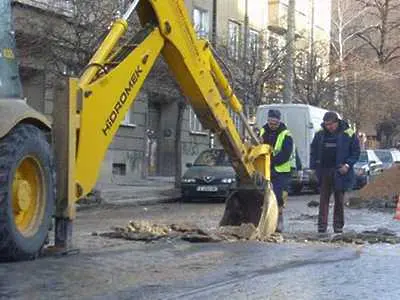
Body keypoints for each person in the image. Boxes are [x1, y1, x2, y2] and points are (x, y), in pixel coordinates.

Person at [310, 111, 360, 234]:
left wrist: (347, 165)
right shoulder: (320, 134)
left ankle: (338, 226)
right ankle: (322, 227)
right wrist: (314, 167)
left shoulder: (348, 133)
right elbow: (313, 151)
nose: (329, 127)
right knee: (323, 200)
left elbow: (355, 152)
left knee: (339, 199)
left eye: (331, 124)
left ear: (337, 122)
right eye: (326, 124)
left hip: (340, 171)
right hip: (324, 170)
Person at [259, 109, 296, 232]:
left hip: (281, 171)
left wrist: (271, 161)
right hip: (265, 169)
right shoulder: (262, 132)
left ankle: (279, 220)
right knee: (263, 196)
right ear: (268, 120)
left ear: (279, 121)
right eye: (270, 122)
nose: (272, 125)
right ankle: (264, 221)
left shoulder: (286, 135)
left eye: (275, 123)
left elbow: (286, 154)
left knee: (278, 196)